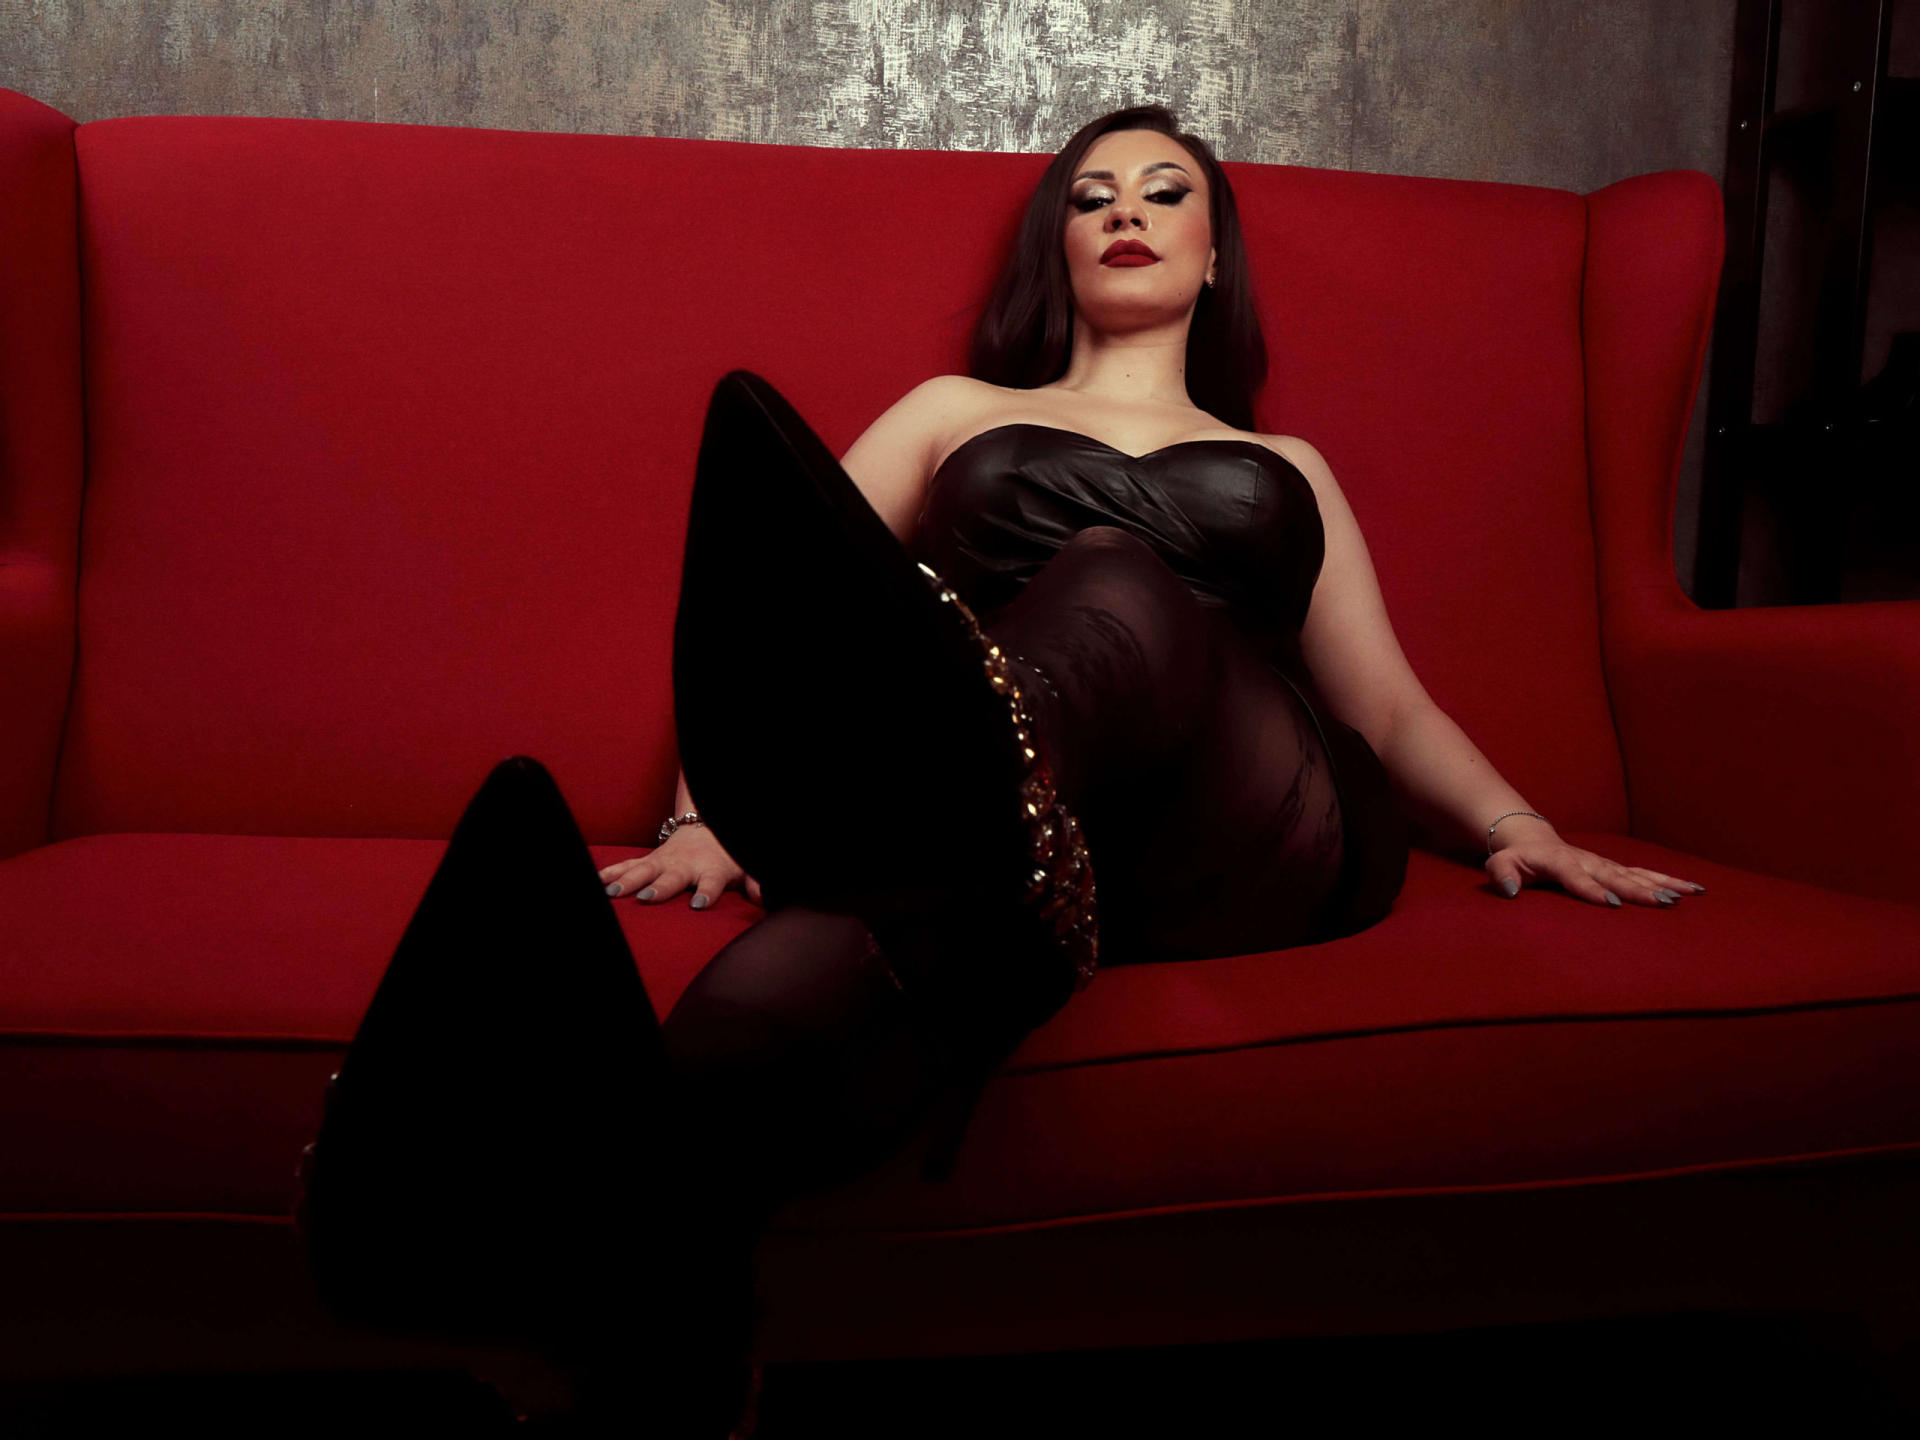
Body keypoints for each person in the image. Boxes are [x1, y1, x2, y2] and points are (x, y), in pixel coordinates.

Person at [295, 103, 1709, 1436]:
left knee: (1111, 580)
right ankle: (652, 1315)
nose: (1125, 213)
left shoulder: (1286, 462)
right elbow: (788, 610)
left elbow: (1387, 709)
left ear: (1215, 255)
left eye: (1164, 193)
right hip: (1030, 841)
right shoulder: (951, 410)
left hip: (1248, 818)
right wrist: (707, 813)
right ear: (1059, 249)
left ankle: (932, 804)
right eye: (1091, 200)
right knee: (819, 963)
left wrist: (1519, 822)